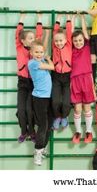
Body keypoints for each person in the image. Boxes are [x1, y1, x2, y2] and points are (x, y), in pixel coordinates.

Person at [15, 12, 43, 143]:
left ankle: (32, 132)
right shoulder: (19, 47)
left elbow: (39, 36)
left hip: (33, 83)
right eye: (30, 38)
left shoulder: (34, 51)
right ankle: (23, 131)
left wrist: (39, 20)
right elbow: (18, 33)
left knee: (29, 110)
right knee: (21, 111)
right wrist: (22, 18)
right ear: (23, 40)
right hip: (22, 83)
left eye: (33, 38)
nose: (33, 40)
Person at [28, 38, 54, 166]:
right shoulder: (32, 63)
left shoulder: (41, 60)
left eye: (41, 52)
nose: (39, 54)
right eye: (37, 52)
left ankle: (42, 148)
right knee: (43, 125)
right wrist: (48, 58)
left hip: (48, 97)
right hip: (39, 99)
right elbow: (52, 67)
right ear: (31, 53)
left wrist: (47, 35)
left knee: (49, 125)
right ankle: (37, 151)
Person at [71, 13, 96, 144]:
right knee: (77, 109)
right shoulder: (71, 49)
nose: (78, 42)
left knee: (87, 108)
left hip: (87, 79)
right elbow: (70, 35)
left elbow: (85, 33)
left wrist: (81, 19)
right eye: (76, 41)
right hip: (74, 80)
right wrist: (73, 19)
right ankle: (78, 131)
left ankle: (89, 131)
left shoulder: (87, 47)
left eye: (80, 40)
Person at [52, 14, 72, 130]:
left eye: (61, 40)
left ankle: (64, 116)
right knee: (55, 101)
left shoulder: (68, 45)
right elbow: (55, 32)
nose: (59, 43)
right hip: (56, 76)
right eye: (56, 41)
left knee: (66, 102)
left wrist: (68, 17)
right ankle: (57, 117)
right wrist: (58, 20)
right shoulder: (54, 47)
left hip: (67, 76)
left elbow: (69, 31)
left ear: (65, 40)